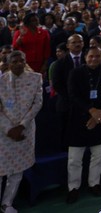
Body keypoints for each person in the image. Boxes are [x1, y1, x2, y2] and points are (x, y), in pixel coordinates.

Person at [65, 46, 101, 203]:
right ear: (85, 57)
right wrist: (91, 110)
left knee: (98, 155)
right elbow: (73, 95)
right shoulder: (76, 73)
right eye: (91, 56)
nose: (94, 59)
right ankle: (73, 187)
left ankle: (94, 183)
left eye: (97, 56)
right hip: (78, 120)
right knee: (74, 158)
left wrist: (98, 114)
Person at [0, 51, 43, 213]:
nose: (18, 64)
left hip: (25, 131)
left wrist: (22, 126)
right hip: (3, 133)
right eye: (14, 61)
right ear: (8, 64)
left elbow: (37, 104)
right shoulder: (1, 81)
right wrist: (9, 129)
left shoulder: (35, 78)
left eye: (21, 61)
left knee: (17, 171)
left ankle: (7, 204)